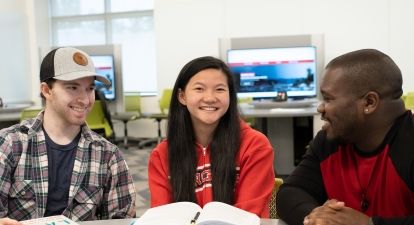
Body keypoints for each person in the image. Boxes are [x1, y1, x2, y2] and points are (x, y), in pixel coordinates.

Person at [276, 49, 414, 225]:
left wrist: (369, 223)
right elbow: (291, 192)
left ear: (369, 103)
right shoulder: (329, 141)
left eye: (328, 99)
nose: (320, 108)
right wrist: (317, 218)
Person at [0, 47, 136, 221]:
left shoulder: (109, 155)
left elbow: (122, 221)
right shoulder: (8, 144)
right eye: (72, 87)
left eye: (90, 88)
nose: (85, 99)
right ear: (46, 90)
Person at [148, 56, 275, 217]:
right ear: (182, 96)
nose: (209, 98)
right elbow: (162, 217)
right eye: (199, 89)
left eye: (220, 89)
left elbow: (248, 215)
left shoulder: (255, 145)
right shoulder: (162, 155)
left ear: (230, 95)